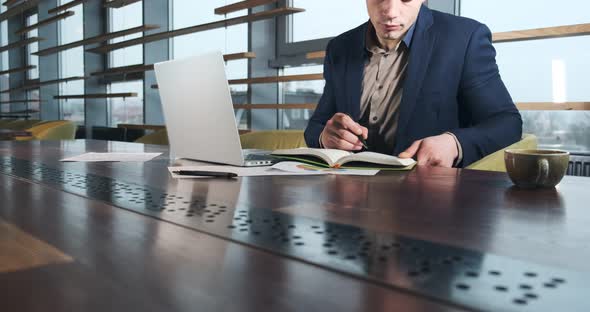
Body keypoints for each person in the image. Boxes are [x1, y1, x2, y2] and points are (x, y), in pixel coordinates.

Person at [304, 0, 522, 167]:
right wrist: (326, 136)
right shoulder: (340, 48)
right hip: (349, 203)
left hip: (429, 205)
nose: (390, 11)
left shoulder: (464, 38)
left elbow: (507, 123)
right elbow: (315, 127)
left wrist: (455, 143)